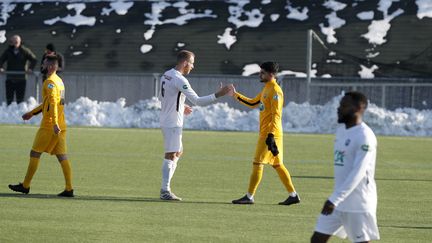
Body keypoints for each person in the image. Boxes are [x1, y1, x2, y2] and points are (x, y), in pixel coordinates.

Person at [158, 50, 232, 201]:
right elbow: (198, 101)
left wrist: (181, 104)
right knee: (171, 154)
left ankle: (166, 187)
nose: (192, 67)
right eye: (192, 63)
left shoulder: (166, 74)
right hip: (173, 122)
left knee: (178, 152)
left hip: (167, 119)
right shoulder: (180, 79)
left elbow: (163, 95)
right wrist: (219, 94)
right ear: (185, 63)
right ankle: (165, 190)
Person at [311, 92, 380, 243]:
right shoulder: (342, 131)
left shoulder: (365, 136)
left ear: (359, 108)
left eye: (344, 105)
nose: (339, 108)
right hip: (339, 201)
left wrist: (335, 199)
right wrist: (336, 199)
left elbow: (358, 172)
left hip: (357, 203)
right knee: (317, 239)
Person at [230, 61, 300, 205]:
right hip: (269, 133)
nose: (260, 75)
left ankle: (249, 196)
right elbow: (252, 103)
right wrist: (235, 95)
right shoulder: (266, 88)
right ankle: (293, 195)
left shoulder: (275, 90)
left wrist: (270, 135)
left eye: (262, 72)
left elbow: (276, 115)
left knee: (257, 162)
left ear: (271, 74)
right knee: (277, 164)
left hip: (269, 134)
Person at [8, 55, 74, 197]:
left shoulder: (49, 82)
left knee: (35, 153)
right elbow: (48, 103)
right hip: (61, 125)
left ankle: (25, 186)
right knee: (62, 156)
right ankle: (69, 188)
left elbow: (53, 104)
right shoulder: (59, 81)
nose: (42, 65)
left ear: (50, 66)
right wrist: (32, 113)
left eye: (44, 63)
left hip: (50, 125)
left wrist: (54, 122)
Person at [0, 35, 37, 105]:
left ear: (19, 42)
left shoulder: (24, 51)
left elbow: (34, 59)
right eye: (13, 42)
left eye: (16, 42)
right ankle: (8, 113)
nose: (15, 43)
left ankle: (19, 114)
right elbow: (1, 60)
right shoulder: (8, 51)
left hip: (21, 78)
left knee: (20, 100)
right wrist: (1, 67)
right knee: (9, 99)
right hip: (10, 78)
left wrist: (30, 68)